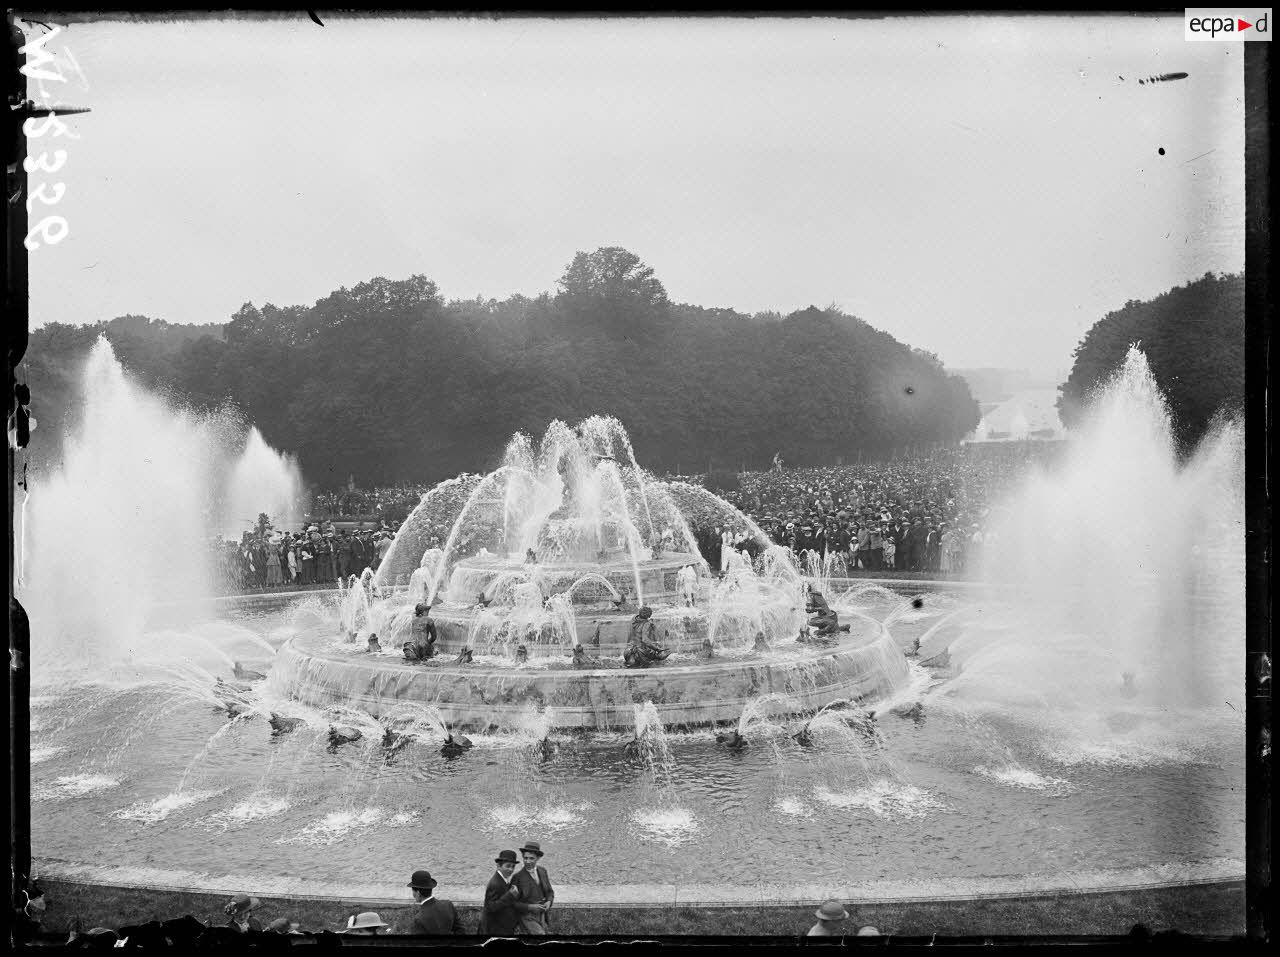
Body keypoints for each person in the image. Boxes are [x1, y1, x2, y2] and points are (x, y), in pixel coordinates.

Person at [512, 841, 554, 934]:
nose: (528, 861)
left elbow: (549, 892)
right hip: (527, 917)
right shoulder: (517, 877)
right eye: (525, 858)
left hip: (542, 915)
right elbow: (512, 903)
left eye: (531, 858)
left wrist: (549, 901)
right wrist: (530, 907)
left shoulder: (543, 871)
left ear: (538, 858)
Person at [405, 869, 464, 935]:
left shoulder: (419, 919)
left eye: (413, 891)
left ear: (418, 893)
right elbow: (461, 930)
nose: (413, 894)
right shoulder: (448, 905)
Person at [479, 850, 522, 936]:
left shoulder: (503, 879)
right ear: (498, 866)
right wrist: (510, 895)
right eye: (508, 866)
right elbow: (491, 907)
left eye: (513, 867)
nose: (511, 869)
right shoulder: (495, 883)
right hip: (494, 929)